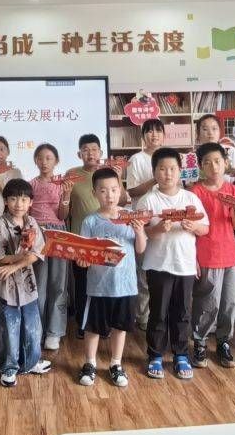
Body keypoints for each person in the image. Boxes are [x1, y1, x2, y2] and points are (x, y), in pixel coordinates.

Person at [138, 147, 209, 379]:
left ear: (180, 171)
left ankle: (181, 354)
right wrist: (158, 229)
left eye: (172, 169)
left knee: (182, 312)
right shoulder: (148, 200)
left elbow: (205, 228)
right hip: (158, 265)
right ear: (154, 172)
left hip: (185, 265)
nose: (167, 173)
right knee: (158, 312)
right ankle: (155, 355)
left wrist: (194, 227)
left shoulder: (191, 198)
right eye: (162, 169)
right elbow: (141, 233)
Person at [76, 168, 147, 388]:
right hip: (98, 286)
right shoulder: (90, 221)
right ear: (94, 193)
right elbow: (82, 255)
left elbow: (140, 249)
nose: (110, 195)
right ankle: (90, 363)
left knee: (120, 326)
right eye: (104, 191)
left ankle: (116, 364)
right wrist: (83, 261)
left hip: (126, 285)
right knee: (93, 327)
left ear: (121, 191)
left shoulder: (130, 217)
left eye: (115, 190)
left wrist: (140, 231)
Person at [0, 179, 53, 387]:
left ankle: (31, 362)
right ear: (6, 201)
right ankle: (9, 367)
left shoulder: (32, 222)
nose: (19, 204)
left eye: (24, 199)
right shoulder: (0, 224)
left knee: (32, 324)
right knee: (8, 326)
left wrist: (15, 265)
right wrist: (16, 259)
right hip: (5, 286)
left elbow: (37, 253)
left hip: (27, 284)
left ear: (31, 202)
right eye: (14, 199)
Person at [190, 143, 235, 369]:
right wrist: (193, 258)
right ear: (200, 166)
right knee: (207, 301)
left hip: (229, 253)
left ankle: (223, 341)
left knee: (229, 302)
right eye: (207, 162)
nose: (213, 166)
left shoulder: (234, 191)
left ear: (226, 163)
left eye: (217, 161)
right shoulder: (196, 192)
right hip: (206, 252)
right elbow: (191, 229)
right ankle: (200, 342)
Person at [66, 134, 124, 338]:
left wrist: (119, 178)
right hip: (81, 239)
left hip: (107, 240)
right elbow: (65, 210)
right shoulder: (71, 174)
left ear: (101, 152)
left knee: (105, 283)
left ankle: (105, 324)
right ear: (79, 153)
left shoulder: (109, 173)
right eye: (85, 150)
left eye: (94, 149)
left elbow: (122, 201)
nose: (90, 153)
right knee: (82, 284)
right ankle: (83, 324)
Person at [124, 119, 165, 330]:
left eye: (158, 131)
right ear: (143, 136)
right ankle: (144, 316)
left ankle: (162, 313)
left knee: (164, 267)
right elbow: (131, 192)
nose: (154, 135)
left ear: (164, 135)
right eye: (149, 131)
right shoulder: (136, 159)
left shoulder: (169, 157)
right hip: (143, 218)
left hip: (166, 218)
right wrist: (155, 179)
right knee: (143, 269)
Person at [28, 143, 70, 350]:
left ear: (56, 161)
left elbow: (63, 216)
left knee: (58, 283)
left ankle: (54, 332)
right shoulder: (31, 185)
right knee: (39, 284)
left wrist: (66, 196)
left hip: (58, 234)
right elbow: (26, 214)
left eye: (49, 158)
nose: (44, 162)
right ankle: (37, 329)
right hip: (37, 234)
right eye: (40, 158)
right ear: (35, 161)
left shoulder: (63, 185)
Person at [194, 114, 235, 183]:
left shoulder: (230, 151)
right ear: (198, 133)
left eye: (214, 128)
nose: (210, 133)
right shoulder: (193, 156)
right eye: (205, 129)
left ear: (220, 131)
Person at [0, 135, 24, 216]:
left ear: (8, 151)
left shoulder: (15, 172)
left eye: (2, 149)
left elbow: (18, 197)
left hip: (10, 216)